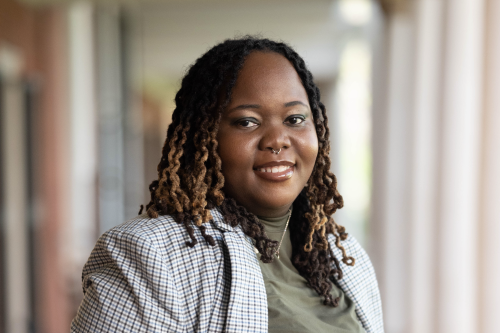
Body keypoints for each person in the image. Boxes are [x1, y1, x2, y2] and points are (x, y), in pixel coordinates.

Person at [71, 37, 384, 333]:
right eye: (247, 121)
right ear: (204, 138)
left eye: (295, 119)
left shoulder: (340, 255)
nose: (277, 140)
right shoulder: (151, 253)